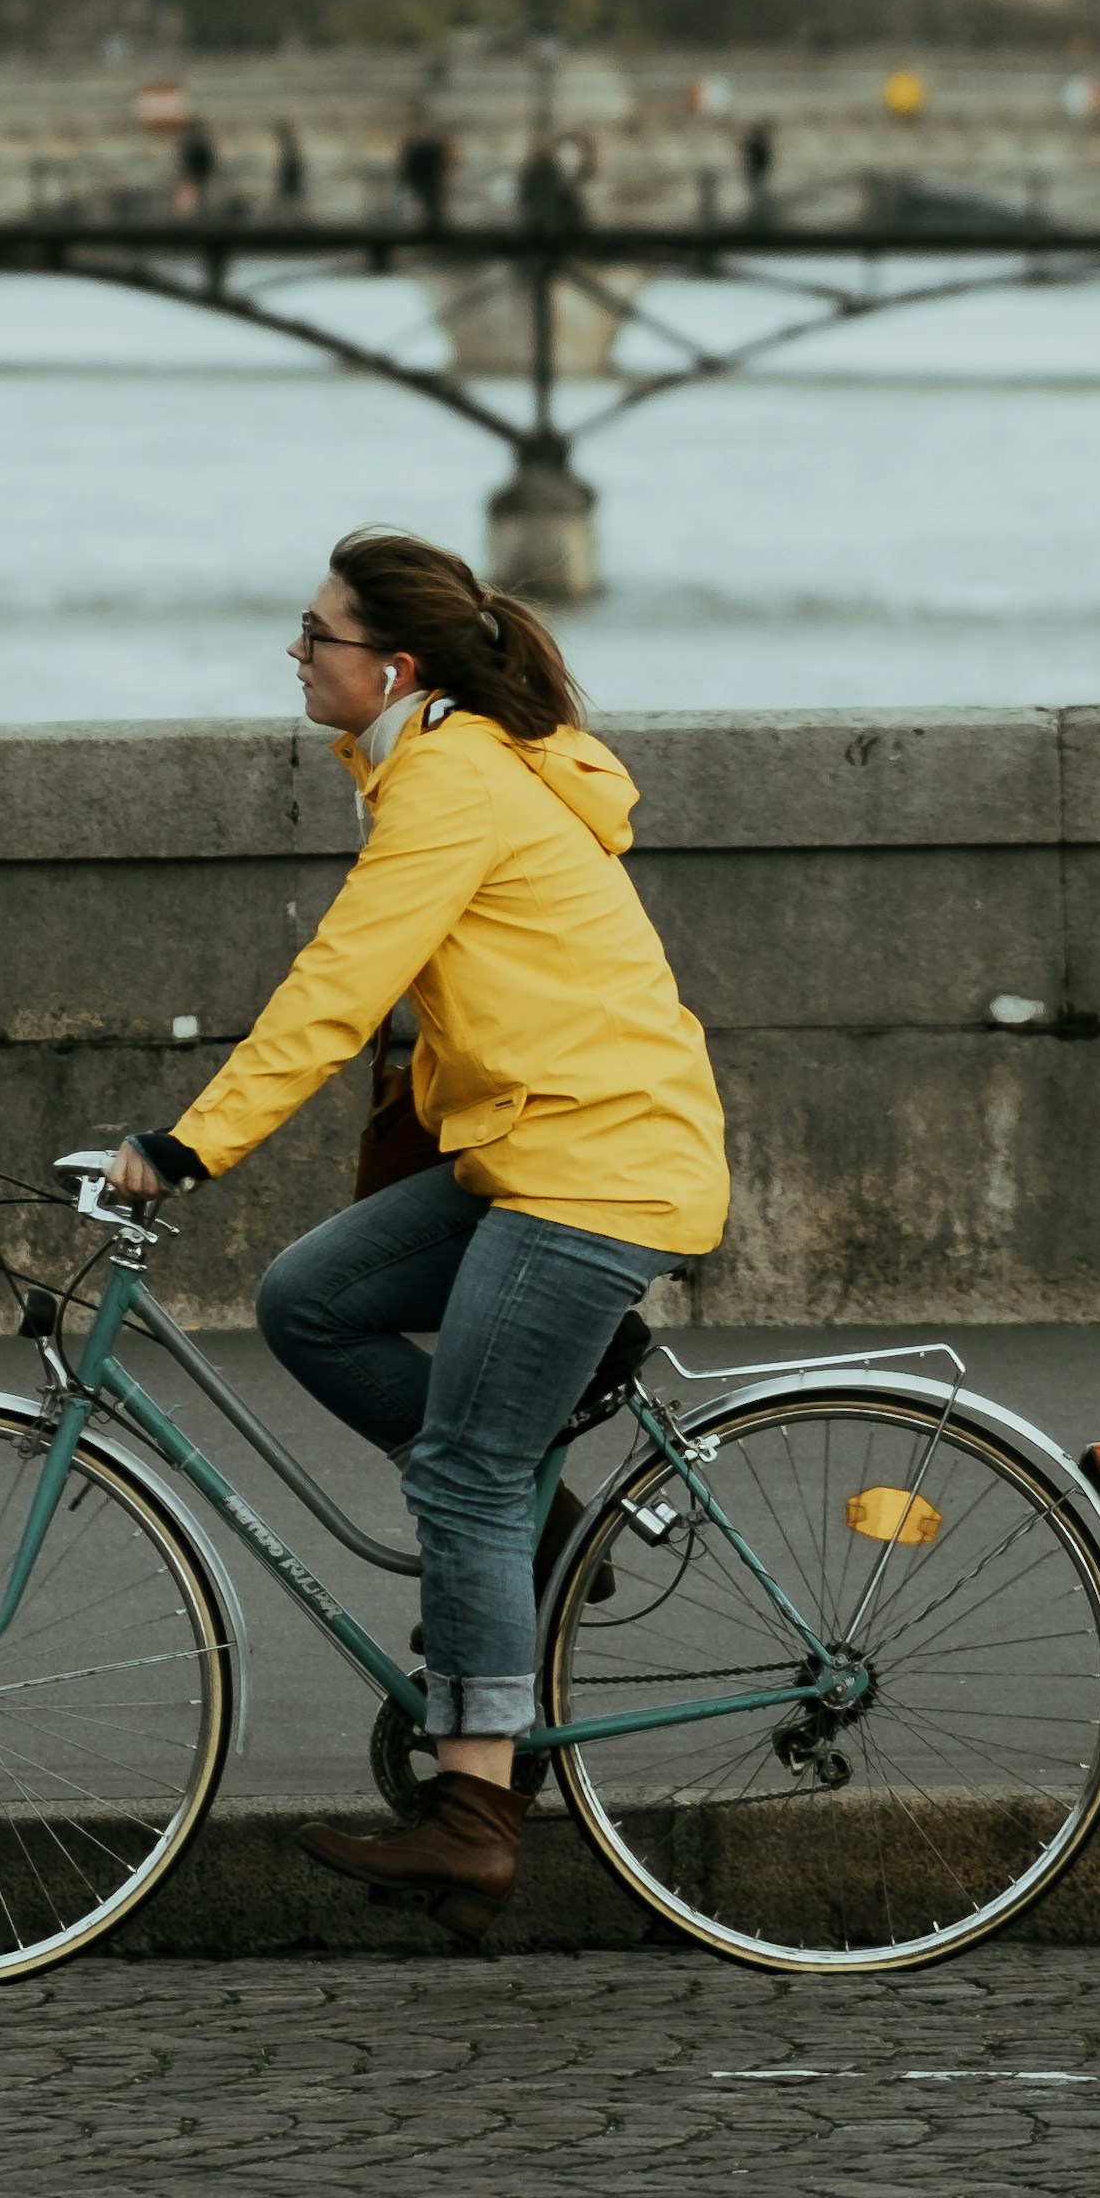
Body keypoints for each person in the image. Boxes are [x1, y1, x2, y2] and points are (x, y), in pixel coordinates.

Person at [110, 528, 729, 1935]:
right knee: (309, 1299)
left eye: (314, 632)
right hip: (535, 1137)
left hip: (595, 1161)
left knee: (459, 1466)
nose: (293, 650)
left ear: (388, 664)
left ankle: (474, 1809)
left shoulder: (446, 777)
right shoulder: (429, 758)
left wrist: (189, 1142)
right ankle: (535, 1523)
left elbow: (337, 988)